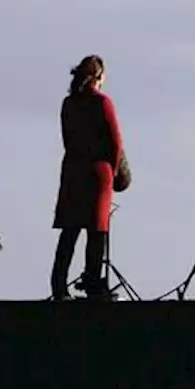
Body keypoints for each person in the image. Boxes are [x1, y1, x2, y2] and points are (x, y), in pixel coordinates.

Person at [51, 55, 125, 300]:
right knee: (97, 231)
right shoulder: (102, 102)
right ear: (99, 76)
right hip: (97, 172)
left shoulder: (68, 103)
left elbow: (67, 140)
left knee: (70, 230)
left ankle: (58, 285)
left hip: (73, 169)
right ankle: (93, 283)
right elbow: (115, 143)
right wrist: (114, 173)